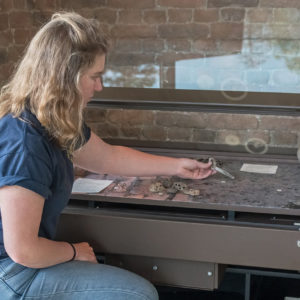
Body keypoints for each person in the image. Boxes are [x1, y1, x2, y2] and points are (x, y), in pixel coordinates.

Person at [0, 11, 214, 300]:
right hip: (12, 274)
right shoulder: (25, 143)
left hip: (22, 263)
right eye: (95, 77)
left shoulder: (51, 120)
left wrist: (177, 166)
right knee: (139, 294)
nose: (99, 87)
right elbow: (23, 250)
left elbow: (107, 157)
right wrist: (73, 251)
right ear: (67, 77)